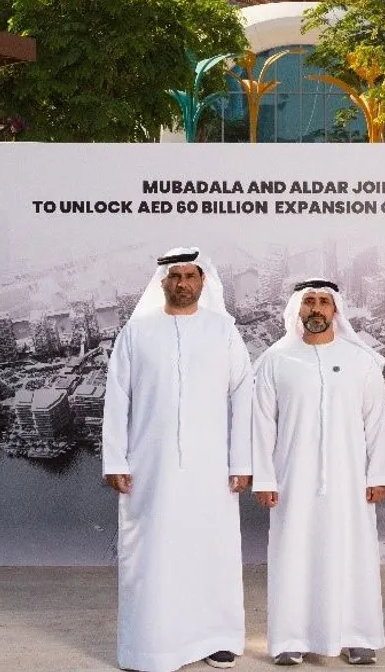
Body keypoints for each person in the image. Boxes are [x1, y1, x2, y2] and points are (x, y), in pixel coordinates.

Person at [102, 247, 254, 671]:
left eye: (191, 276)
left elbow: (243, 393)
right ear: (162, 282)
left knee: (211, 549)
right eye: (175, 276)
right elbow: (117, 397)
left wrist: (241, 461)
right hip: (151, 467)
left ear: (203, 281)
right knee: (154, 553)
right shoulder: (137, 333)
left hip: (212, 468)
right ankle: (152, 645)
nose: (183, 283)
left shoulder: (224, 331)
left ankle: (217, 638)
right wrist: (115, 460)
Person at [252, 279, 385, 666]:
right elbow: (261, 424)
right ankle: (291, 638)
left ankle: (357, 636)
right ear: (298, 309)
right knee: (293, 555)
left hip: (350, 480)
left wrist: (377, 474)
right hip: (292, 479)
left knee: (353, 553)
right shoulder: (277, 360)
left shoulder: (361, 361)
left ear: (336, 310)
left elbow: (376, 422)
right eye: (309, 301)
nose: (316, 308)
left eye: (324, 302)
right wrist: (264, 478)